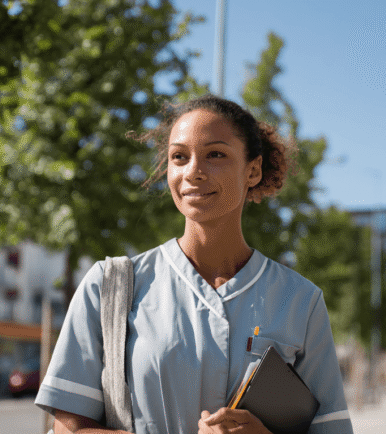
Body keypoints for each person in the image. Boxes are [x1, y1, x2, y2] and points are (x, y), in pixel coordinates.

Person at [34, 95, 353, 434]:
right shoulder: (109, 287)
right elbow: (69, 427)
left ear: (253, 170)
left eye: (215, 154)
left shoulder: (301, 301)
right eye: (179, 157)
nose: (193, 172)